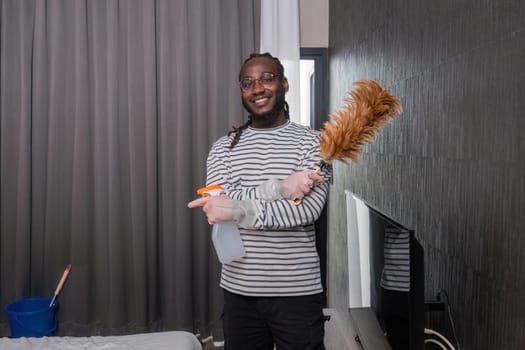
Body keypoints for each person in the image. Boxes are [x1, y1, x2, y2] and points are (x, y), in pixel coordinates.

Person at [188, 52, 332, 350]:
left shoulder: (314, 143)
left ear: (285, 83)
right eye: (247, 83)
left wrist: (236, 207)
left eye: (267, 78)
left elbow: (305, 211)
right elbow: (217, 205)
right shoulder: (222, 148)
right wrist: (282, 187)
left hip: (297, 291)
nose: (257, 88)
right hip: (240, 291)